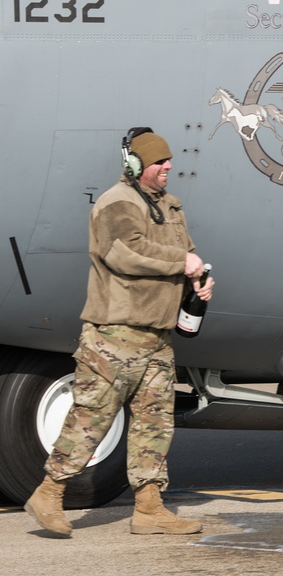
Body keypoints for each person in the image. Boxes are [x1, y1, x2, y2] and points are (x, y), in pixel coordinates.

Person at [24, 128, 214, 538]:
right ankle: (48, 493)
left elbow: (186, 257)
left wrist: (198, 284)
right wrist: (182, 261)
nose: (169, 167)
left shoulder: (170, 206)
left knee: (155, 423)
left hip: (157, 336)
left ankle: (149, 508)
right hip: (116, 334)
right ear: (136, 164)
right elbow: (125, 253)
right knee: (92, 417)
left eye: (168, 161)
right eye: (160, 161)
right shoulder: (117, 204)